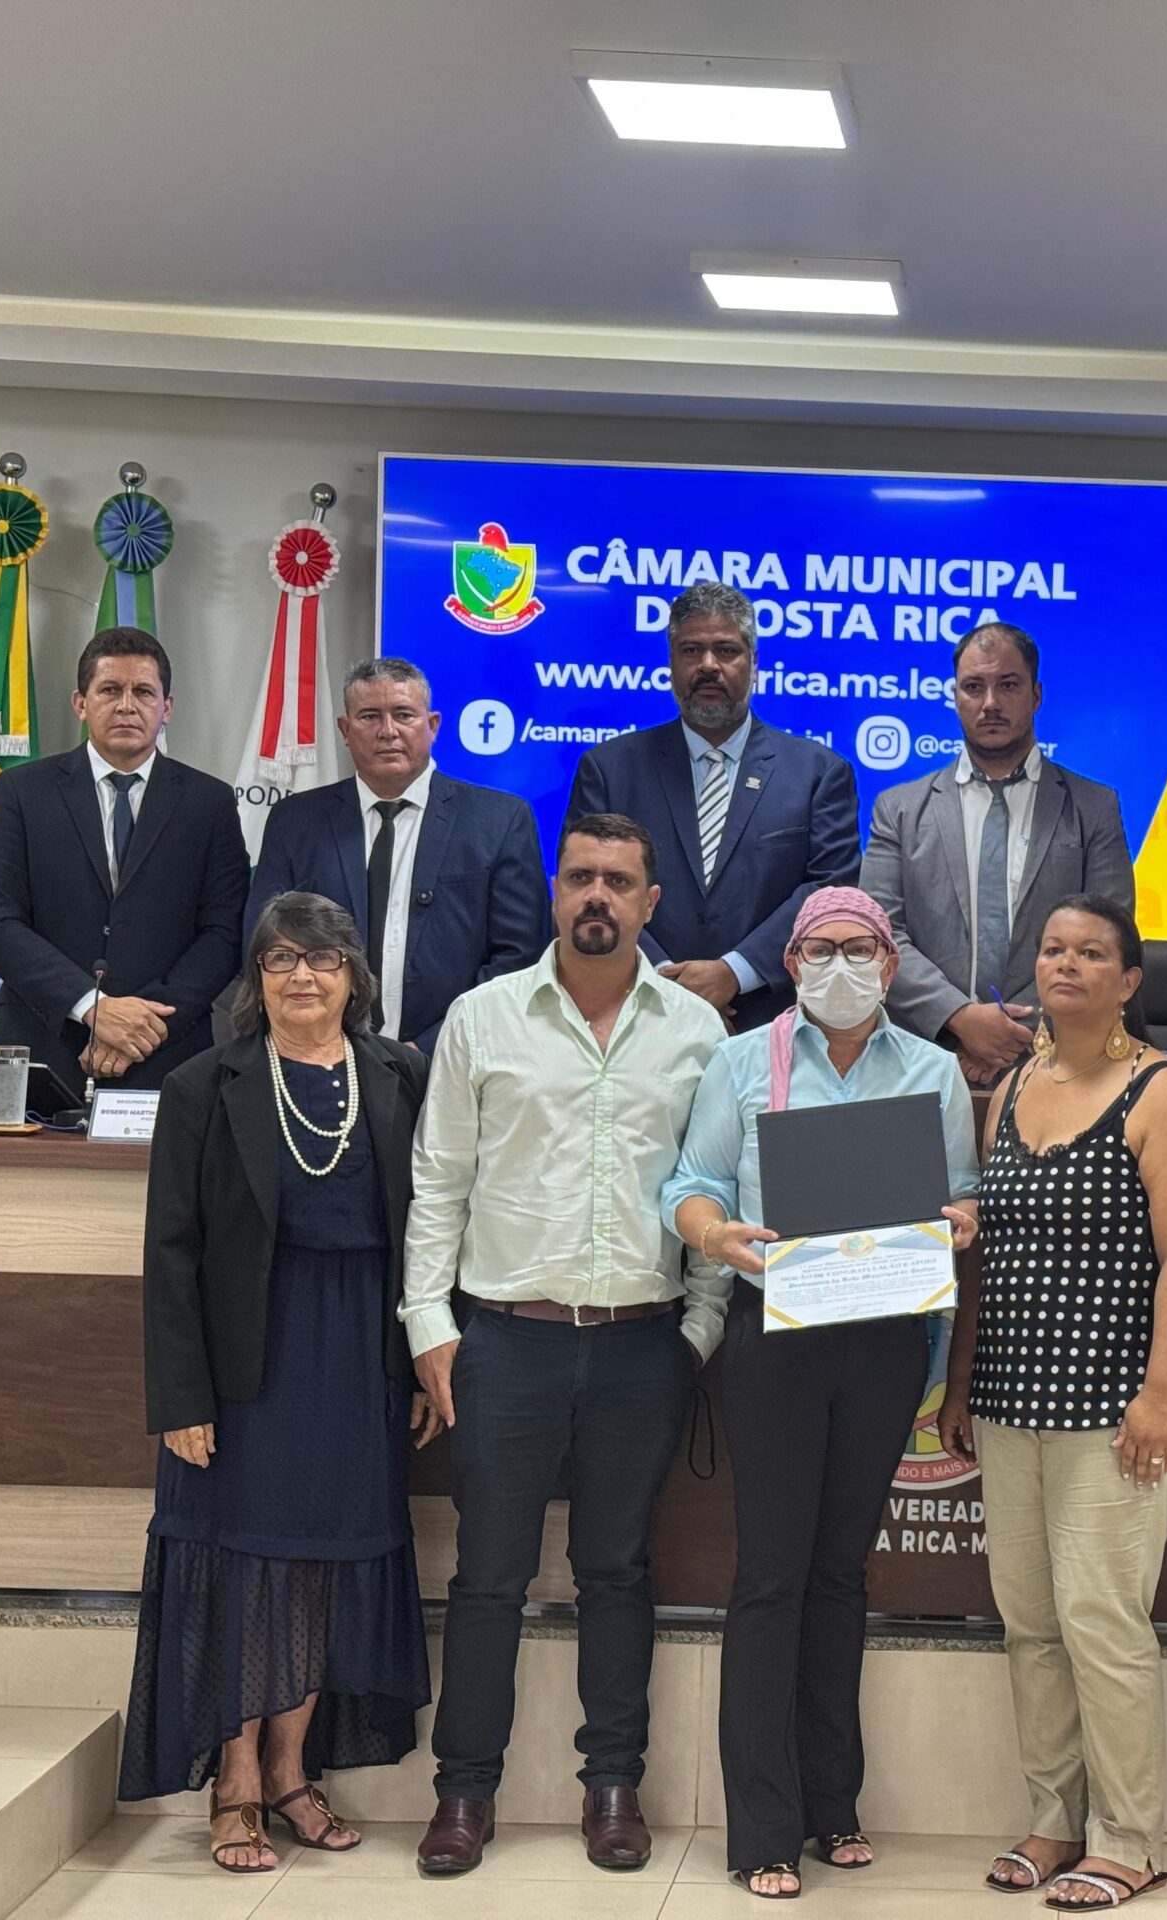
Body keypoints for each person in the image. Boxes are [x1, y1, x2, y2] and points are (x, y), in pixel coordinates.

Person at [402, 813, 729, 1876]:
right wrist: (429, 1323)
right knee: (488, 1575)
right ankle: (463, 1794)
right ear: (555, 893)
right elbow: (439, 1181)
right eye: (580, 876)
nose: (597, 895)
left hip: (641, 1343)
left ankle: (613, 1787)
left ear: (649, 902)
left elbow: (716, 1187)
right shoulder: (483, 1016)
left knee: (617, 1572)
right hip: (505, 1341)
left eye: (618, 882)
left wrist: (700, 1325)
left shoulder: (696, 1032)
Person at [665, 886, 983, 1899]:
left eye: (859, 949)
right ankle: (762, 1828)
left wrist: (962, 1219)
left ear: (890, 965)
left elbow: (961, 1193)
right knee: (771, 1574)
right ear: (791, 962)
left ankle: (831, 1804)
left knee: (842, 1573)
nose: (839, 966)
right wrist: (716, 1234)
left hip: (885, 1336)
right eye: (819, 949)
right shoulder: (739, 1061)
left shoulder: (932, 1069)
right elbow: (688, 1185)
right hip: (777, 1333)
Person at [122, 891, 435, 1872]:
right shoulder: (202, 1085)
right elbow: (170, 1252)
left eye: (324, 958)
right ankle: (236, 1779)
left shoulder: (400, 1074)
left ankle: (293, 1771)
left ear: (354, 976)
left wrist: (420, 1359)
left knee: (326, 1568)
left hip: (361, 1355)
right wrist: (180, 1398)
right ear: (256, 979)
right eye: (282, 958)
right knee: (242, 1568)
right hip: (245, 1364)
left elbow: (429, 1229)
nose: (304, 975)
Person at [937, 892, 1167, 1912]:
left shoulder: (1163, 1094)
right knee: (1030, 1621)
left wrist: (1160, 1396)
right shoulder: (1012, 1082)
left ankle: (1129, 1841)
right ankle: (1055, 1821)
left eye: (1092, 952)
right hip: (1009, 1399)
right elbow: (992, 1254)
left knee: (1101, 1620)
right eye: (1054, 950)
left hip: (1119, 1408)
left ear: (1130, 980)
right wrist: (962, 1379)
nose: (1067, 964)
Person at [568, 580, 861, 1029]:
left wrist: (734, 972)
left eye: (726, 651)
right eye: (691, 651)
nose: (708, 666)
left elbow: (828, 891)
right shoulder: (609, 769)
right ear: (671, 662)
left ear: (754, 663)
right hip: (635, 1014)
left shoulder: (819, 773)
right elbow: (586, 884)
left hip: (771, 1022)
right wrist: (664, 980)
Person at [0, 626, 248, 1089]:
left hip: (168, 1053)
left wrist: (143, 1027)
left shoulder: (210, 802)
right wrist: (92, 1007)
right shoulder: (23, 792)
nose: (126, 705)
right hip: (45, 1044)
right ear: (80, 703)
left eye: (143, 692)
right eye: (109, 690)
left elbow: (223, 934)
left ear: (167, 707)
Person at [862, 623, 1135, 1083]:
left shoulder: (1094, 807)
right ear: (955, 697)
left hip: (1060, 1062)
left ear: (1036, 695)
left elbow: (1108, 936)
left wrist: (1013, 1032)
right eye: (974, 687)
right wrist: (960, 1018)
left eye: (1008, 685)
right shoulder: (899, 809)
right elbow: (880, 935)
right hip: (923, 1059)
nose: (990, 703)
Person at [246, 657, 549, 1057]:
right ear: (345, 730)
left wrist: (427, 1049)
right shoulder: (295, 821)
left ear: (433, 725)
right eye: (370, 716)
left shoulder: (501, 820)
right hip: (319, 1057)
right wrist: (328, 1048)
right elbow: (264, 945)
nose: (388, 731)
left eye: (404, 715)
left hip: (454, 1060)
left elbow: (519, 960)